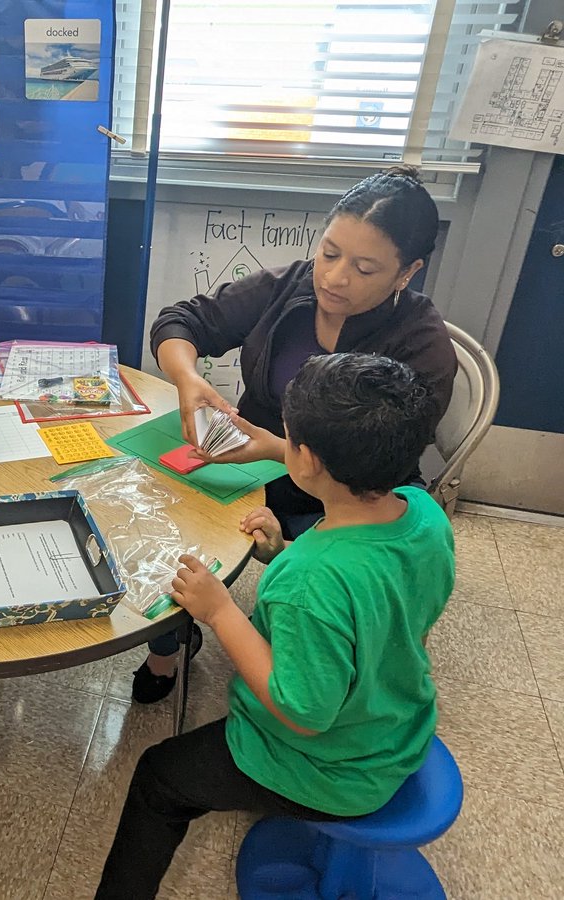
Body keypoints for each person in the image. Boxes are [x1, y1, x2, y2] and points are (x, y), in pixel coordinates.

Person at [96, 353, 454, 899]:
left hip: (330, 769)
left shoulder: (310, 581)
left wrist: (219, 611)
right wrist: (280, 550)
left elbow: (302, 711)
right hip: (399, 728)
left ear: (306, 458)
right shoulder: (423, 512)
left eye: (286, 437)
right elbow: (376, 602)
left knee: (158, 778)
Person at [132, 164, 457, 705]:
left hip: (354, 488)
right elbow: (182, 321)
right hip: (256, 462)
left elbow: (382, 455)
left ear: (408, 272)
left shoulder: (423, 345)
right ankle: (168, 641)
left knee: (319, 590)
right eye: (329, 253)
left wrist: (279, 449)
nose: (334, 278)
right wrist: (188, 381)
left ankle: (298, 657)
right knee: (166, 513)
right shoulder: (288, 287)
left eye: (364, 268)